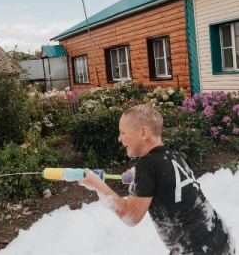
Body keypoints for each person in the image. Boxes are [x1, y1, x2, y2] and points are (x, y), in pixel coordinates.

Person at [79, 104, 235, 255]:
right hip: (219, 238)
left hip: (195, 250)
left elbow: (130, 216)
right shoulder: (172, 155)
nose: (119, 138)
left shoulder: (147, 165)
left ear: (143, 133)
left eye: (123, 132)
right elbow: (169, 182)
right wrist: (140, 179)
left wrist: (98, 185)